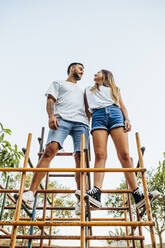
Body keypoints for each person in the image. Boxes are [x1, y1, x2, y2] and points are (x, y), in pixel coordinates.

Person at [75, 69, 159, 210]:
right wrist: (87, 123)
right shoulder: (88, 90)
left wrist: (127, 119)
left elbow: (122, 105)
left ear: (106, 75)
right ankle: (96, 193)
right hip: (98, 116)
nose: (95, 73)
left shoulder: (115, 89)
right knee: (100, 155)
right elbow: (87, 110)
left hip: (115, 114)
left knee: (125, 155)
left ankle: (138, 195)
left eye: (98, 72)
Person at [22, 62, 89, 215]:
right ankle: (31, 193)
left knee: (81, 158)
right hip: (61, 119)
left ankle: (80, 201)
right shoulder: (58, 83)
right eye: (80, 69)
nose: (82, 72)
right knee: (49, 151)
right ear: (72, 69)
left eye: (83, 70)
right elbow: (50, 100)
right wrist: (51, 116)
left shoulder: (83, 90)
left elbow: (88, 108)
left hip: (81, 123)